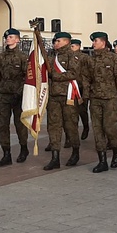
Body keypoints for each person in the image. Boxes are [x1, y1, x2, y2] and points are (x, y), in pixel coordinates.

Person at [82, 32, 117, 173]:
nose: (93, 43)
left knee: (110, 128)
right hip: (95, 99)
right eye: (93, 41)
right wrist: (85, 96)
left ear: (103, 42)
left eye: (95, 41)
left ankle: (116, 151)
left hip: (110, 98)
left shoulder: (114, 58)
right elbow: (86, 79)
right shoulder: (90, 60)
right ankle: (102, 161)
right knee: (97, 130)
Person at [0, 28, 29, 167]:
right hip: (4, 96)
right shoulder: (1, 57)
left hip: (18, 96)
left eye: (11, 37)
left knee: (20, 125)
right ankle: (6, 154)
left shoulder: (23, 57)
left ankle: (24, 148)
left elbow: (27, 77)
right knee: (2, 125)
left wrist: (20, 92)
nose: (8, 39)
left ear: (17, 40)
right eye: (7, 37)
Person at [43, 31, 82, 170]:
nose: (55, 43)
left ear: (66, 42)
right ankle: (55, 158)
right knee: (53, 127)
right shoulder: (51, 57)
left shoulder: (72, 56)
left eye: (58, 41)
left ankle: (75, 151)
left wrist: (56, 76)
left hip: (68, 97)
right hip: (53, 96)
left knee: (70, 126)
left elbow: (73, 73)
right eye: (55, 41)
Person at [70, 38, 90, 140]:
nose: (71, 48)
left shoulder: (84, 57)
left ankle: (86, 126)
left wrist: (86, 90)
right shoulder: (68, 57)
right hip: (71, 88)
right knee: (71, 113)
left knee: (82, 110)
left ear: (78, 46)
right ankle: (72, 136)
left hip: (82, 87)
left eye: (73, 46)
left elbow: (88, 73)